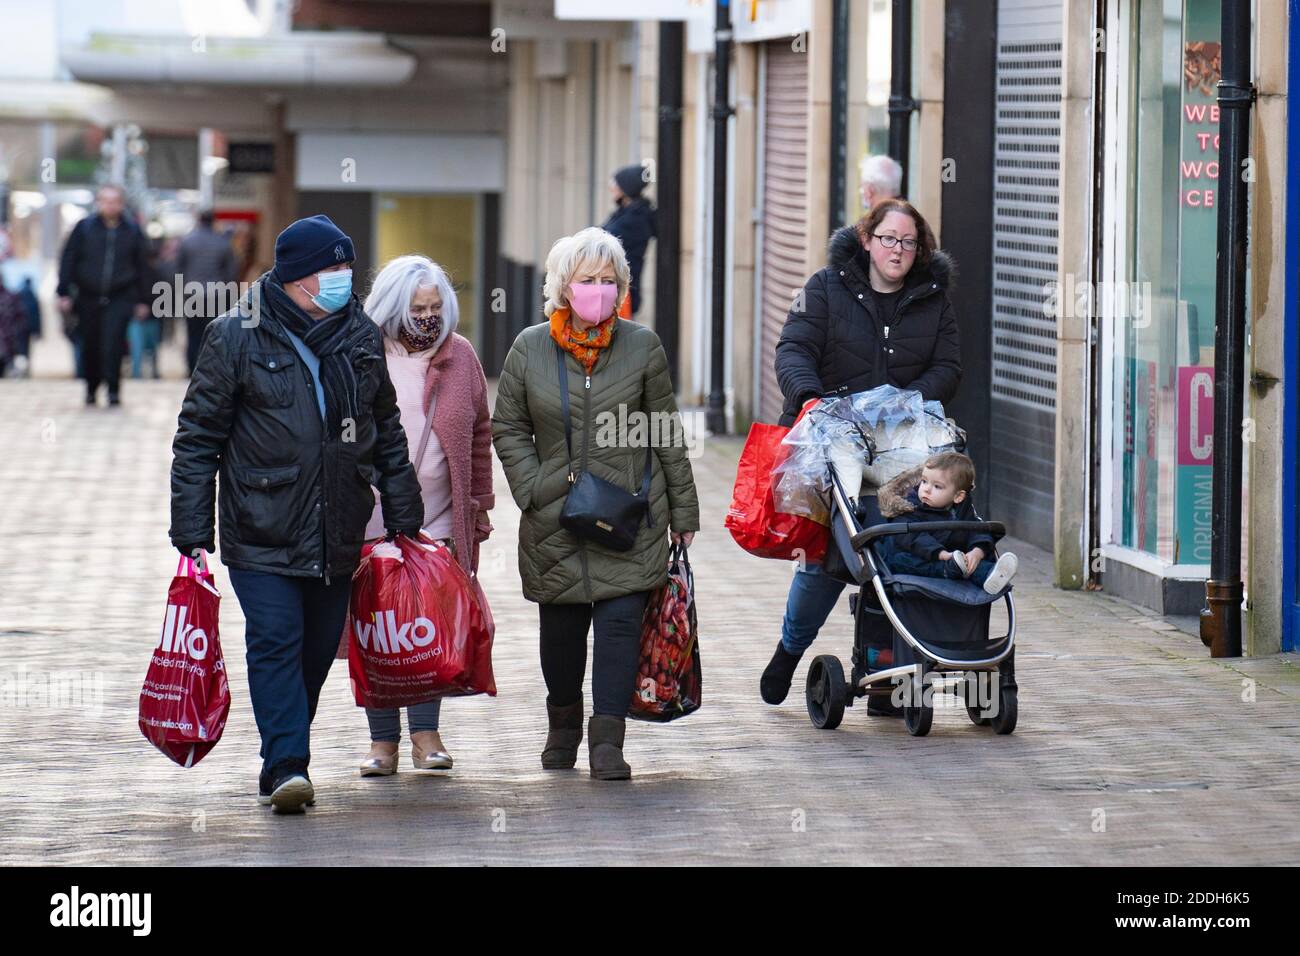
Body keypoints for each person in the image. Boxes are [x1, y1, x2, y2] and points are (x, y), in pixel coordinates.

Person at [169, 214, 423, 813]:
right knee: (277, 639)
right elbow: (198, 435)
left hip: (338, 522)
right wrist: (190, 526)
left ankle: (285, 751)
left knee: (313, 651)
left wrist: (402, 501)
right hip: (260, 521)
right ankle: (287, 764)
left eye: (346, 267)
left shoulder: (358, 332)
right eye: (331, 269)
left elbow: (384, 424)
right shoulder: (236, 334)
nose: (343, 278)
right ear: (296, 277)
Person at [492, 226, 699, 781]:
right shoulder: (529, 348)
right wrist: (535, 486)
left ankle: (608, 740)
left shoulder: (642, 346)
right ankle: (563, 728)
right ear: (564, 286)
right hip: (556, 517)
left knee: (618, 629)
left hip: (630, 515)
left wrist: (683, 513)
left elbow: (665, 431)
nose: (600, 291)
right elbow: (507, 426)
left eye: (610, 282)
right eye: (589, 280)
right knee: (560, 637)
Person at [764, 198, 962, 710]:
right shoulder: (825, 287)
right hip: (834, 436)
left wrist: (906, 404)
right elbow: (793, 349)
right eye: (889, 238)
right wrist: (809, 396)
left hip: (901, 441)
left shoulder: (933, 298)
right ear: (868, 239)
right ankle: (790, 650)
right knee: (834, 556)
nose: (898, 249)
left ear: (920, 250)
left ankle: (886, 668)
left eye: (909, 242)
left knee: (899, 543)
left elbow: (948, 367)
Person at [350, 254, 495, 777]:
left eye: (435, 307)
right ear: (392, 309)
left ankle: (426, 734)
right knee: (381, 626)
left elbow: (481, 432)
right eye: (417, 308)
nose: (428, 317)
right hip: (371, 518)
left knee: (428, 623)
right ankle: (382, 741)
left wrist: (479, 506)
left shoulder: (461, 356)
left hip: (438, 516)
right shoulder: (364, 352)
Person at [56, 184, 152, 406]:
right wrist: (63, 291)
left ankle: (113, 389)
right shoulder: (84, 228)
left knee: (114, 343)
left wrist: (143, 299)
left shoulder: (132, 231)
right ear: (98, 202)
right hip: (88, 296)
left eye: (114, 201)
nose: (110, 205)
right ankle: (91, 387)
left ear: (121, 203)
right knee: (90, 343)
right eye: (105, 201)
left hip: (120, 296)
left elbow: (143, 267)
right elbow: (68, 259)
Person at [877, 451, 1019, 594]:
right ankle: (949, 569)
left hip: (955, 560)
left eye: (937, 486)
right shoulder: (908, 507)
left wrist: (977, 552)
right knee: (901, 560)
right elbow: (913, 538)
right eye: (924, 481)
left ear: (958, 496)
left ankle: (992, 575)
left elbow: (977, 530)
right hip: (915, 557)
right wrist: (941, 554)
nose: (926, 489)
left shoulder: (962, 509)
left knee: (973, 564)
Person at [175, 209, 239, 376]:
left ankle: (191, 369)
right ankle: (211, 370)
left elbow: (178, 269)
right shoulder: (223, 242)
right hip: (216, 295)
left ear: (198, 219)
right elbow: (231, 272)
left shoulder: (187, 241)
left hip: (192, 295)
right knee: (215, 335)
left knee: (193, 334)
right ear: (214, 221)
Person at [601, 163, 657, 317]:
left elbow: (605, 238)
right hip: (616, 287)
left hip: (623, 290)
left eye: (616, 184)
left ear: (626, 189)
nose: (612, 187)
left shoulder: (635, 218)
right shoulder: (626, 213)